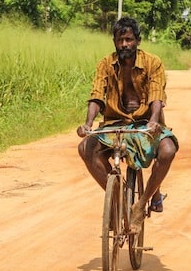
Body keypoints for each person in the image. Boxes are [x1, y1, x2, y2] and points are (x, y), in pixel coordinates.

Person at [77, 16, 179, 233]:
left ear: (138, 40)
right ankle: (119, 197)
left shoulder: (153, 62)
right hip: (115, 123)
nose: (125, 44)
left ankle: (141, 204)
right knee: (85, 148)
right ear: (114, 41)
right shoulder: (105, 64)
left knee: (168, 150)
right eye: (120, 40)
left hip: (145, 123)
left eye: (129, 39)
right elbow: (97, 95)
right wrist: (87, 124)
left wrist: (153, 122)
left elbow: (157, 96)